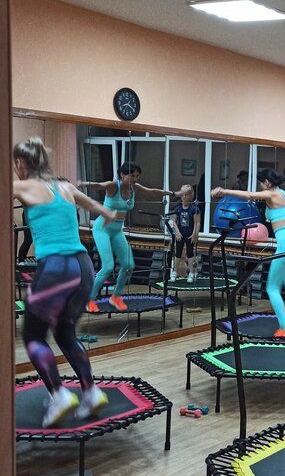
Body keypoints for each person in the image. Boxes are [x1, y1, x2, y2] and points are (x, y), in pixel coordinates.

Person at [13, 137, 120, 426]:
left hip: (56, 268)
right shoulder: (66, 187)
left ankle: (59, 395)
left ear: (20, 163)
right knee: (65, 332)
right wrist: (108, 213)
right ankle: (91, 393)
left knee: (34, 336)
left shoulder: (22, 186)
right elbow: (100, 208)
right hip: (83, 267)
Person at [212, 167, 285, 337]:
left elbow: (248, 195)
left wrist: (224, 191)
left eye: (261, 182)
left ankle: (284, 329)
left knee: (272, 288)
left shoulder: (271, 194)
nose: (260, 186)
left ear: (267, 182)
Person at [80, 163, 175, 312]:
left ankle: (115, 297)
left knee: (129, 265)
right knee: (108, 267)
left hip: (117, 230)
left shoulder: (134, 188)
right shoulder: (113, 186)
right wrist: (81, 183)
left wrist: (173, 193)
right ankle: (90, 299)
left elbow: (152, 192)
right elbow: (99, 185)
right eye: (132, 176)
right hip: (102, 229)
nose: (135, 179)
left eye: (137, 176)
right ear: (123, 175)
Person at [170, 184, 201, 282]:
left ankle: (191, 273)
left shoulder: (194, 209)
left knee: (190, 253)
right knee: (178, 253)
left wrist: (195, 234)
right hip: (180, 234)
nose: (184, 197)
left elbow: (197, 223)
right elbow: (174, 222)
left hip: (190, 234)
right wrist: (177, 232)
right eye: (182, 195)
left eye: (186, 195)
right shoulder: (178, 208)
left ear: (190, 196)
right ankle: (174, 272)